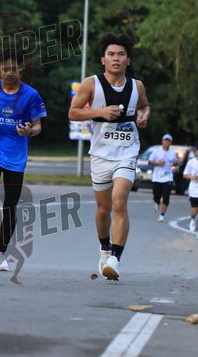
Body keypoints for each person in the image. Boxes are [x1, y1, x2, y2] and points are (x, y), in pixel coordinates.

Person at [68, 33, 150, 280]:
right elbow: (73, 113)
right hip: (100, 155)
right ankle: (104, 248)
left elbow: (144, 106)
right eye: (111, 54)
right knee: (103, 210)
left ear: (128, 60)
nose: (116, 58)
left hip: (127, 153)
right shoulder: (91, 84)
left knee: (119, 203)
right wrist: (100, 112)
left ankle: (115, 258)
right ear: (103, 59)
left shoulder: (137, 86)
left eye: (121, 54)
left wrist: (144, 115)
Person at [0, 49, 46, 271]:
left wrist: (29, 131)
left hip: (16, 158)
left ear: (21, 68)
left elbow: (38, 126)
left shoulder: (31, 95)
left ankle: (1, 255)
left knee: (10, 207)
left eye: (13, 68)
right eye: (5, 69)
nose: (9, 73)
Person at [148, 134, 179, 222]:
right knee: (156, 196)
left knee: (166, 197)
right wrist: (158, 163)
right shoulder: (157, 151)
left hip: (168, 177)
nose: (167, 142)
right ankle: (157, 202)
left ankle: (162, 215)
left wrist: (176, 163)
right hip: (157, 177)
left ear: (171, 142)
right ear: (162, 141)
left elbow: (175, 164)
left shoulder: (172, 153)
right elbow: (149, 162)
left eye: (169, 141)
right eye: (166, 140)